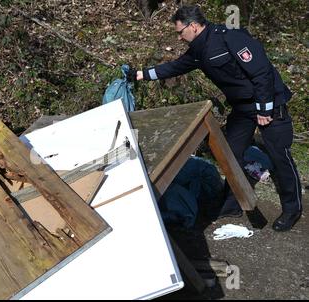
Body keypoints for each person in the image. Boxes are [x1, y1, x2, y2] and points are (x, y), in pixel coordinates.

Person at [129, 5, 303, 231]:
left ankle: (292, 208)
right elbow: (175, 67)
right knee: (229, 153)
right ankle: (232, 204)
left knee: (280, 157)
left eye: (180, 32)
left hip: (269, 104)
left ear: (193, 26)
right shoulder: (198, 50)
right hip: (242, 109)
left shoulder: (230, 38)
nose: (179, 37)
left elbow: (261, 72)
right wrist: (141, 74)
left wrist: (264, 110)